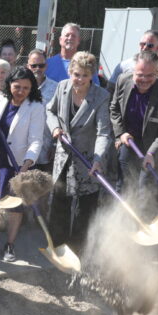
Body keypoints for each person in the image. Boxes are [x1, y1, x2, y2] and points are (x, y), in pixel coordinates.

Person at [0, 67, 49, 262]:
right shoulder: (2, 97)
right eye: (17, 87)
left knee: (15, 207)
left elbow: (36, 140)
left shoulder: (36, 107)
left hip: (17, 163)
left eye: (26, 88)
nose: (21, 91)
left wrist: (26, 166)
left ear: (32, 87)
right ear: (10, 85)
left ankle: (9, 244)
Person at [46, 52, 111, 255]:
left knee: (85, 207)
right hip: (63, 157)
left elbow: (103, 132)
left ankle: (78, 250)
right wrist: (55, 128)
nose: (79, 79)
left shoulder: (101, 97)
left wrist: (98, 158)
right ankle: (57, 246)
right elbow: (50, 111)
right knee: (59, 203)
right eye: (76, 74)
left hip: (88, 160)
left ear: (92, 75)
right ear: (70, 72)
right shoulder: (62, 86)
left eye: (84, 75)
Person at [109, 51, 158, 215]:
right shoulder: (123, 80)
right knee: (124, 185)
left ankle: (143, 227)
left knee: (145, 188)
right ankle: (120, 222)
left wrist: (151, 153)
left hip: (155, 146)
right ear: (133, 71)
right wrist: (121, 133)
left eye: (151, 75)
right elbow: (114, 109)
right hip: (129, 140)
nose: (145, 80)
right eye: (140, 75)